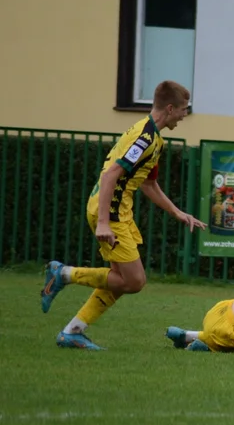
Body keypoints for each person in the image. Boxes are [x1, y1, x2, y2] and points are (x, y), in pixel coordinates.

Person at [40, 81, 207, 351]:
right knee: (134, 281)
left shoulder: (155, 139)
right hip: (111, 212)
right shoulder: (144, 138)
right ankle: (64, 273)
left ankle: (72, 332)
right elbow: (110, 176)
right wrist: (104, 221)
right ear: (170, 107)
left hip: (119, 212)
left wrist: (177, 212)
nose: (185, 115)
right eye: (184, 109)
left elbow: (148, 184)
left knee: (120, 280)